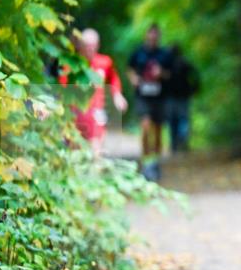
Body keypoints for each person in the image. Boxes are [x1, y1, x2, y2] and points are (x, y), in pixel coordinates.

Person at [58, 28, 127, 156]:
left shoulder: (105, 62)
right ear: (80, 46)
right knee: (75, 149)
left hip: (96, 112)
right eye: (87, 46)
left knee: (96, 148)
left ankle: (95, 170)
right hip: (76, 113)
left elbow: (113, 79)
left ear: (98, 45)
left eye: (93, 46)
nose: (90, 49)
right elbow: (62, 89)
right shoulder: (71, 64)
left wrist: (117, 95)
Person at [127, 24, 171, 181]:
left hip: (159, 97)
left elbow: (170, 75)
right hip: (143, 96)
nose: (152, 38)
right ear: (146, 36)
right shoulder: (138, 53)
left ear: (158, 37)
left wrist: (161, 73)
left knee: (158, 130)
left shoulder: (164, 54)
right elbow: (129, 69)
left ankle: (155, 163)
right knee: (145, 126)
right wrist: (134, 79)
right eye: (150, 35)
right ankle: (146, 163)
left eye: (155, 36)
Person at [164, 44, 199, 153]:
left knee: (173, 121)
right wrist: (194, 89)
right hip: (183, 96)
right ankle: (182, 140)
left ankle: (175, 144)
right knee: (183, 119)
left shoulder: (167, 65)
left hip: (171, 97)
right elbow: (195, 76)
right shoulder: (185, 63)